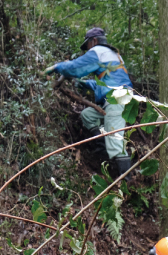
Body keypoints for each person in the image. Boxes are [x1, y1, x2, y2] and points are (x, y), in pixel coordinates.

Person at [45, 27, 135, 174]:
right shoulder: (113, 54)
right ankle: (103, 151)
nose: (87, 50)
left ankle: (127, 182)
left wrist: (57, 67)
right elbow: (109, 80)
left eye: (87, 46)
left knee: (116, 141)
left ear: (93, 41)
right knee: (88, 115)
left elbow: (75, 67)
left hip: (117, 99)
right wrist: (86, 84)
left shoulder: (98, 51)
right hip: (118, 97)